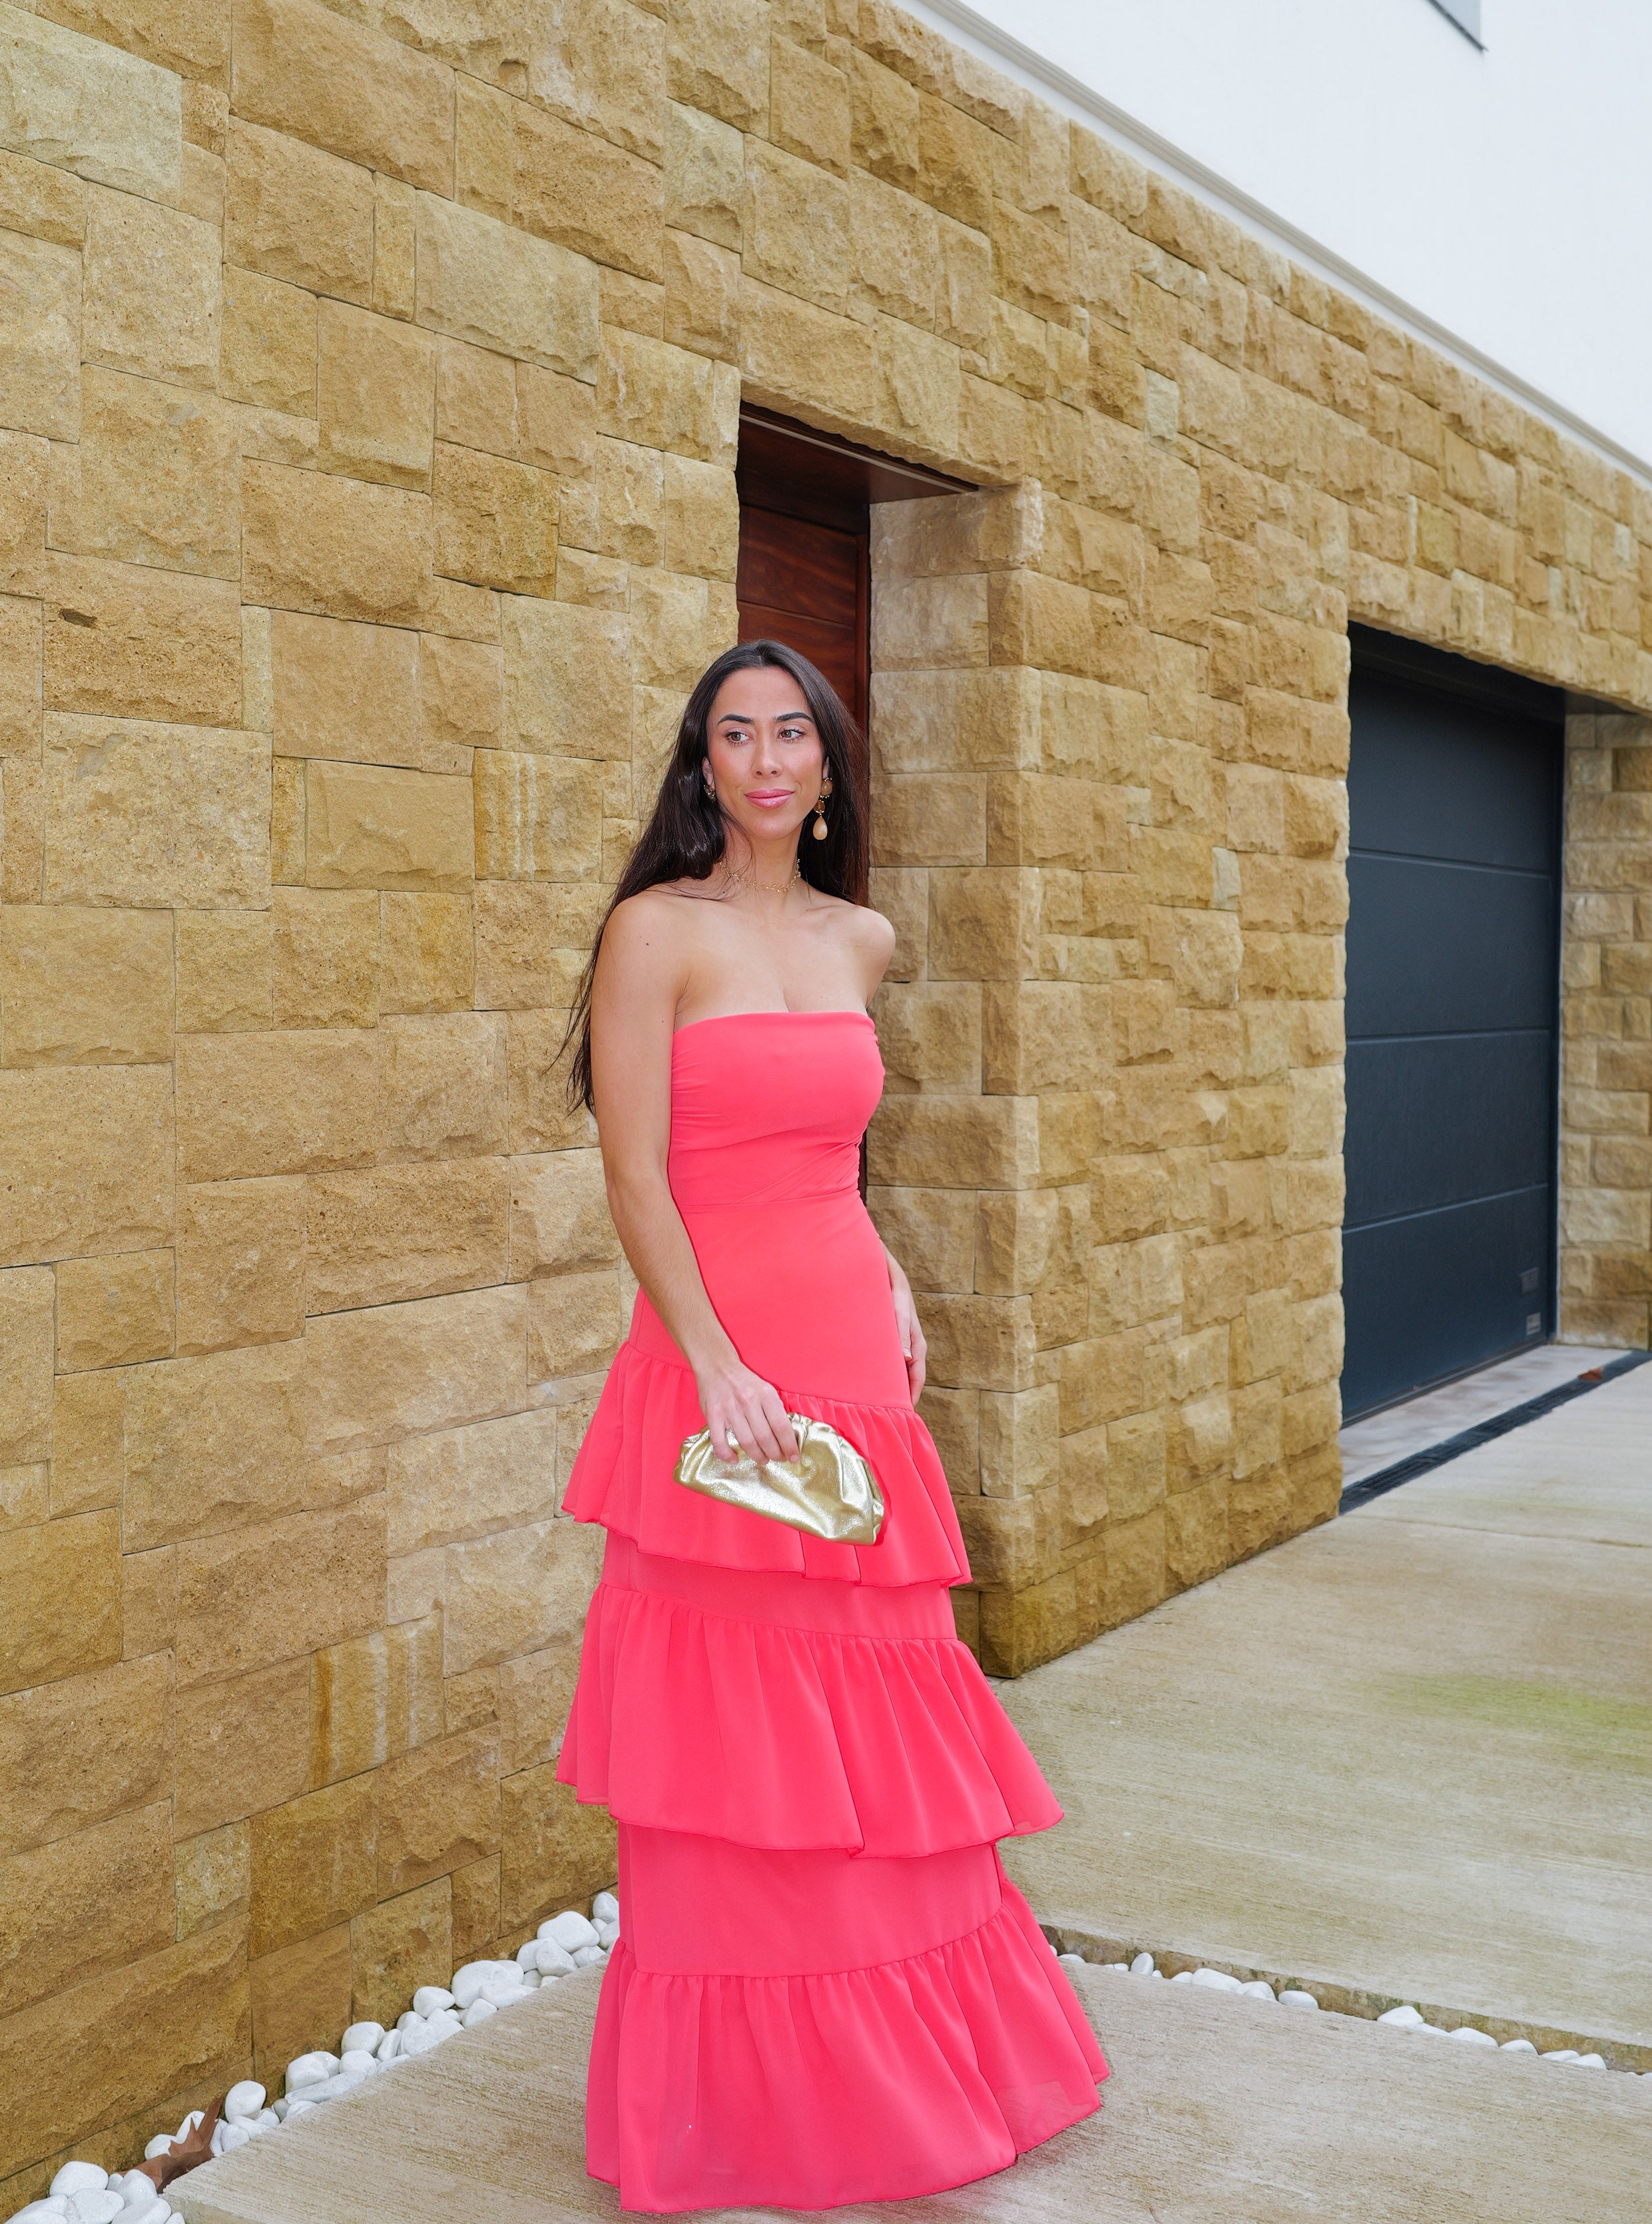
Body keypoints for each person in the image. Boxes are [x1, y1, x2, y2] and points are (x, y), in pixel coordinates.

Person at [555, 639, 1108, 2212]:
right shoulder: (653, 932)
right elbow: (637, 1177)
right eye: (733, 734)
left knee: (878, 1713)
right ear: (702, 767)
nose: (764, 757)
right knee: (732, 1736)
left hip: (850, 1349)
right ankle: (741, 2102)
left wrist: (895, 1276)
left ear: (824, 762)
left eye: (788, 729)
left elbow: (832, 1156)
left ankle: (908, 2075)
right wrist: (715, 1361)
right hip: (718, 1374)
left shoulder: (865, 938)